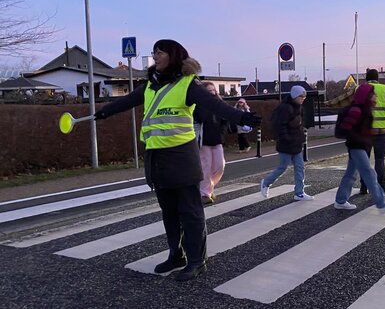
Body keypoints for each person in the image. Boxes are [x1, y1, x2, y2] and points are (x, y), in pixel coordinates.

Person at [93, 39, 261, 281]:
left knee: (190, 212)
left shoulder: (187, 84)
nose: (156, 56)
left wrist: (241, 116)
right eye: (154, 52)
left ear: (174, 55)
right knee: (169, 212)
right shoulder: (151, 85)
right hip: (156, 157)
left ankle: (197, 260)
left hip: (182, 156)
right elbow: (127, 101)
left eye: (161, 52)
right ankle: (176, 255)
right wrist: (104, 112)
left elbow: (214, 105)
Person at [333, 84, 385, 212]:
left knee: (351, 174)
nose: (375, 97)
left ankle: (340, 201)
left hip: (358, 145)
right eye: (373, 94)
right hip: (357, 146)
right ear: (366, 96)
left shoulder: (364, 110)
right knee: (369, 173)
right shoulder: (357, 111)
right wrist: (360, 138)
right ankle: (381, 204)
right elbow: (347, 129)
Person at [260, 85, 314, 201]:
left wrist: (300, 137)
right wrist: (287, 138)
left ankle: (299, 192)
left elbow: (300, 124)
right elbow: (281, 126)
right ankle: (266, 182)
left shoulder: (299, 108)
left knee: (300, 168)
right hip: (286, 143)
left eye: (304, 96)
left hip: (296, 143)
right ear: (294, 96)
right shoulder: (285, 108)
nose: (303, 98)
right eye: (301, 96)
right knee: (283, 167)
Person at [194, 81, 227, 205]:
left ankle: (208, 187)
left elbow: (225, 120)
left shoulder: (220, 105)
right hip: (204, 141)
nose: (212, 92)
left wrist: (222, 132)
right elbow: (199, 118)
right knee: (205, 167)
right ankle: (205, 193)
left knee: (220, 166)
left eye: (213, 90)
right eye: (209, 91)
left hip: (217, 140)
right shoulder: (198, 105)